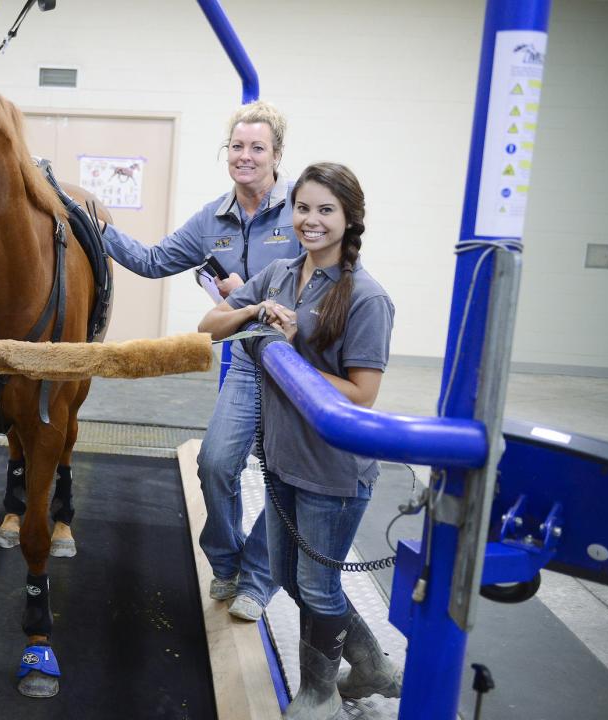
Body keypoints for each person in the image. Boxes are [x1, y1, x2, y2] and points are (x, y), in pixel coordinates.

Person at [199, 162, 402, 718]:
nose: (311, 220)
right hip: (286, 459)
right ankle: (375, 668)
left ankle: (319, 694)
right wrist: (252, 309)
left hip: (333, 472)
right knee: (291, 578)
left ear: (350, 219)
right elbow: (208, 325)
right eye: (304, 208)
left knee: (317, 587)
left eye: (325, 211)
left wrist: (287, 352)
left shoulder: (365, 297)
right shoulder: (283, 274)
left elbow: (361, 395)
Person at [89, 99, 299, 620]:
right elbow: (153, 261)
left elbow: (326, 275)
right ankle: (226, 564)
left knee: (285, 476)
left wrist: (244, 294)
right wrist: (94, 225)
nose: (244, 157)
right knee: (215, 464)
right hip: (249, 359)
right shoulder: (214, 220)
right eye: (236, 147)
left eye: (257, 148)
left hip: (299, 365)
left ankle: (257, 579)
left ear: (276, 155)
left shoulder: (302, 210)